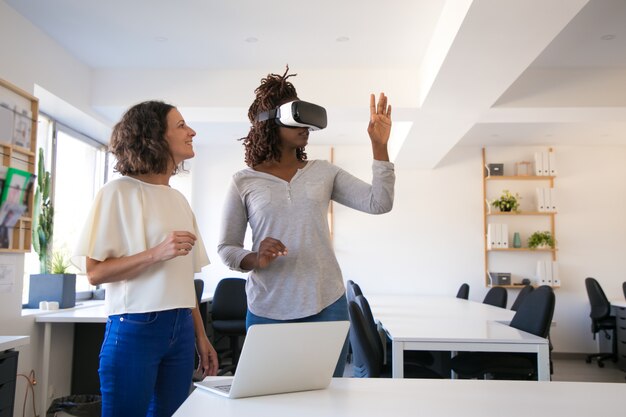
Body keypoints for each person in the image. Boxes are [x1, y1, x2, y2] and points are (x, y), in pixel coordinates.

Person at [217, 68, 395, 377]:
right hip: (266, 310)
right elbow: (226, 248)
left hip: (326, 304)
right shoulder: (243, 181)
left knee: (324, 401)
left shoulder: (323, 172)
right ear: (270, 122)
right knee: (269, 401)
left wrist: (379, 147)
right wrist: (255, 257)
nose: (306, 126)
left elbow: (379, 203)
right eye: (294, 115)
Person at [73, 101, 218, 417]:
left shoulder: (179, 199)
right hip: (135, 327)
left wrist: (200, 336)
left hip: (180, 328)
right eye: (181, 125)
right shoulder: (117, 193)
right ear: (154, 135)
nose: (191, 131)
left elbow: (183, 280)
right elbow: (95, 273)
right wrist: (156, 253)